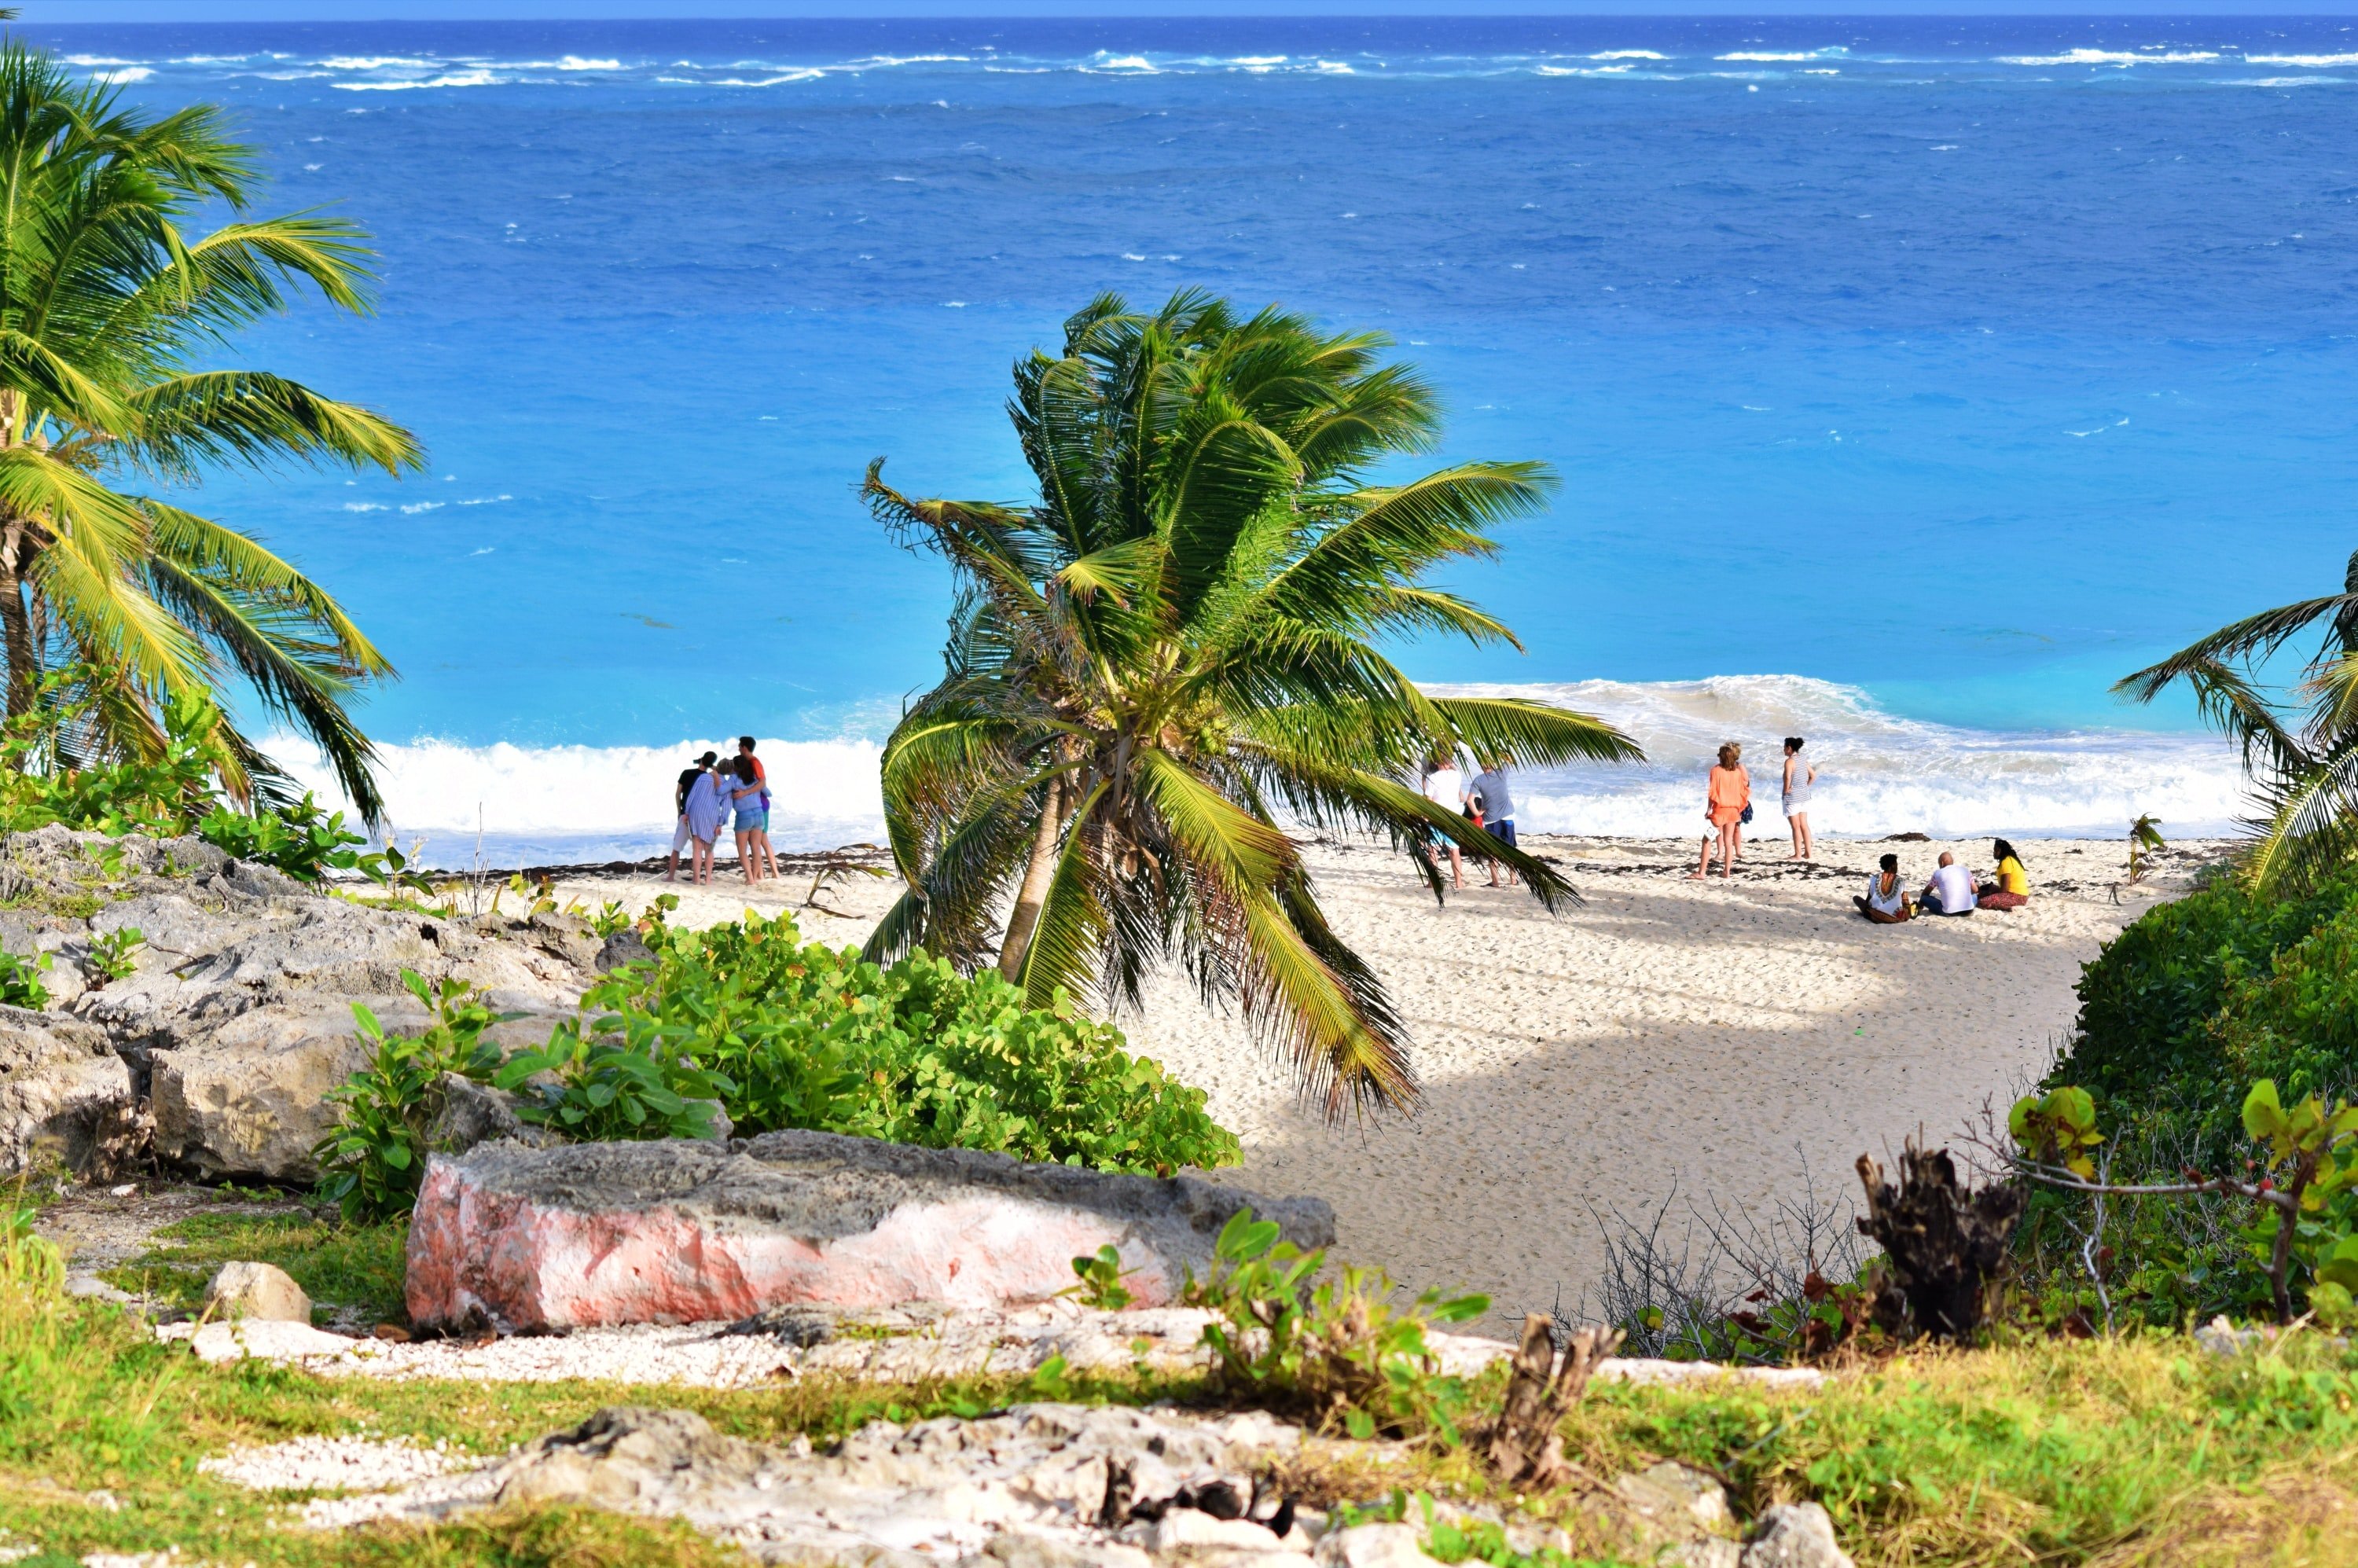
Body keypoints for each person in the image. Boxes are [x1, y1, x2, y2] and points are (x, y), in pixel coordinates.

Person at [1691, 742, 1750, 881]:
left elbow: (1713, 793)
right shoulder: (1737, 773)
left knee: (1707, 840)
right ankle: (1727, 872)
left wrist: (1708, 809)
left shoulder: (1716, 771)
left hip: (1719, 813)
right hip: (1733, 811)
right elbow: (1743, 792)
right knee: (1728, 841)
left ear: (1722, 757)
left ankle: (1702, 873)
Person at [666, 751, 718, 882]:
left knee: (676, 848)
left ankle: (671, 877)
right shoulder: (709, 778)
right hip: (702, 817)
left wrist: (679, 811)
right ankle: (707, 879)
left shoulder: (687, 773)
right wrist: (713, 767)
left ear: (701, 759)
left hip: (686, 815)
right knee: (705, 850)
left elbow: (678, 794)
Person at [1469, 755, 1519, 887]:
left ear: (1481, 765)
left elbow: (1469, 801)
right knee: (1510, 848)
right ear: (1493, 762)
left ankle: (1495, 882)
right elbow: (1510, 757)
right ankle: (1513, 879)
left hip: (1491, 819)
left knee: (1492, 851)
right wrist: (1499, 754)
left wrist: (1477, 813)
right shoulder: (1501, 773)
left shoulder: (1479, 780)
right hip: (1508, 816)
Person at [724, 755, 774, 885]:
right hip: (759, 814)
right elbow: (768, 793)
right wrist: (753, 791)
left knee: (742, 850)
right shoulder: (755, 778)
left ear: (736, 767)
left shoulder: (733, 779)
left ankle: (750, 879)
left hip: (744, 816)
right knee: (756, 848)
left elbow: (720, 790)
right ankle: (756, 877)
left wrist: (717, 777)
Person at [680, 760, 731, 885]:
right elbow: (727, 807)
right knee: (709, 849)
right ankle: (708, 880)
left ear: (717, 767)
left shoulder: (703, 777)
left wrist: (686, 812)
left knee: (697, 848)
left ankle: (696, 880)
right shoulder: (727, 785)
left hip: (696, 812)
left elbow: (692, 796)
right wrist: (721, 823)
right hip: (712, 815)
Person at [1420, 753, 1466, 891]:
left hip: (1437, 817)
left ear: (1436, 762)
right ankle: (1459, 883)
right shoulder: (1457, 775)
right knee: (1454, 851)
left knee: (1433, 850)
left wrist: (1425, 816)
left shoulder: (1432, 778)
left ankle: (1433, 882)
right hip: (1453, 816)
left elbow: (1429, 800)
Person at [1781, 736, 1816, 861]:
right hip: (1804, 796)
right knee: (1804, 825)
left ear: (1789, 747)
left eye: (1784, 747)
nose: (1783, 749)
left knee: (1796, 827)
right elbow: (1813, 775)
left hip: (1793, 797)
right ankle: (1808, 853)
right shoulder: (1802, 759)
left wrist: (1786, 790)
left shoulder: (1789, 762)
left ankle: (1797, 855)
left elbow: (1787, 777)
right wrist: (1805, 786)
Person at [1853, 852, 1913, 923]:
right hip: (1896, 917)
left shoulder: (1874, 878)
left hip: (1876, 917)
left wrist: (1866, 908)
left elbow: (1869, 898)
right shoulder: (1901, 880)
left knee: (1856, 898)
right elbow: (1906, 902)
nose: (1897, 867)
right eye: (1896, 864)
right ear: (1892, 866)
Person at [1919, 850, 1978, 916]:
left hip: (1949, 913)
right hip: (1968, 911)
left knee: (1924, 898)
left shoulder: (1938, 873)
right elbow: (1975, 890)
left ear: (1942, 863)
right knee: (1974, 896)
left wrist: (1920, 903)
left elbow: (1926, 892)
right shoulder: (1966, 870)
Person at [1977, 838, 2029, 910]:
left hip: (2017, 897)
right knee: (1990, 888)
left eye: (1996, 850)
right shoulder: (2010, 859)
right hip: (2019, 894)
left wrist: (1992, 895)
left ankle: (2005, 908)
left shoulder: (2006, 862)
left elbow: (2004, 890)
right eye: (1994, 850)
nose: (1994, 853)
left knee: (1981, 902)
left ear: (2002, 851)